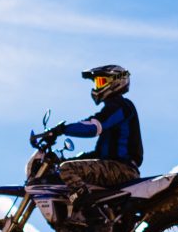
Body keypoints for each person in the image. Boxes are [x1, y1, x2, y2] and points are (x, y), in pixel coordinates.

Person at [32, 65, 143, 206]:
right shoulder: (117, 108)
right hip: (116, 167)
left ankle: (87, 208)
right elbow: (100, 154)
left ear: (115, 82)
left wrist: (61, 129)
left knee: (66, 169)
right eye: (96, 83)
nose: (97, 87)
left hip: (121, 169)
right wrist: (71, 159)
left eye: (101, 82)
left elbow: (92, 128)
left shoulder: (121, 106)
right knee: (65, 166)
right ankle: (92, 222)